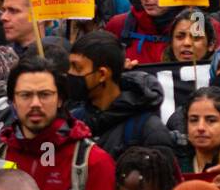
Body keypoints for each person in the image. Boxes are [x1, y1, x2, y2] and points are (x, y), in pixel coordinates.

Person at [0, 57, 117, 190]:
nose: (35, 103)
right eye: (25, 95)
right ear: (13, 102)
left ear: (60, 99)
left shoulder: (93, 162)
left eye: (45, 94)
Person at [69, 30, 175, 160]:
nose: (70, 73)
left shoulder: (149, 130)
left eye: (77, 68)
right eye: (70, 66)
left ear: (102, 74)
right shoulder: (72, 121)